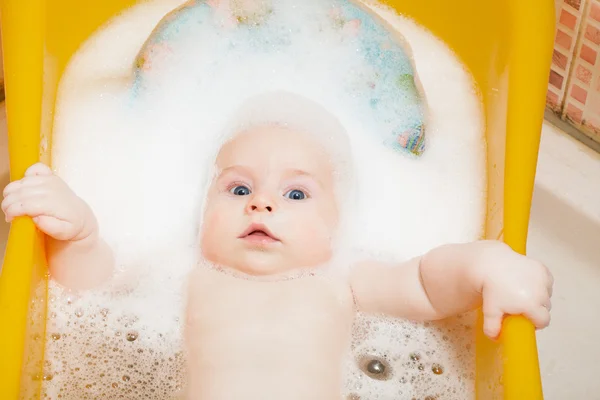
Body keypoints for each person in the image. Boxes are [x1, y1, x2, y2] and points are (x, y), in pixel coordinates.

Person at [1, 92, 553, 400]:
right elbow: (91, 284)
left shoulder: (344, 276)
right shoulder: (183, 266)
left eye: (295, 193)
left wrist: (485, 263)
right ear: (201, 214)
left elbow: (429, 286)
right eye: (239, 188)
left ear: (338, 224)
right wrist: (81, 233)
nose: (261, 204)